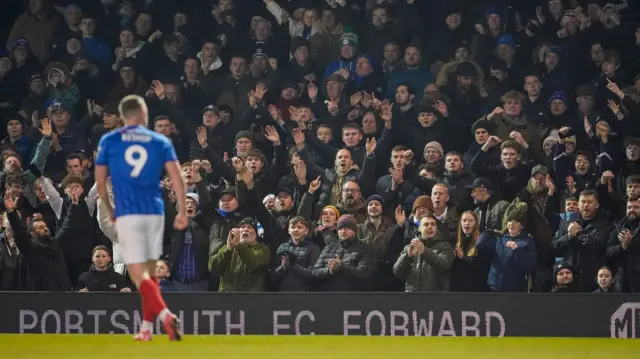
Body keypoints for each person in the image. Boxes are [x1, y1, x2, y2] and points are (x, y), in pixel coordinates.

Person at [95, 94, 187, 341]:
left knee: (138, 275)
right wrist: (181, 211)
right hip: (155, 212)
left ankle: (166, 316)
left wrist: (109, 208)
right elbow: (177, 177)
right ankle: (147, 328)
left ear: (123, 117)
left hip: (129, 212)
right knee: (150, 272)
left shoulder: (109, 140)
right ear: (144, 115)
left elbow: (101, 183)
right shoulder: (159, 140)